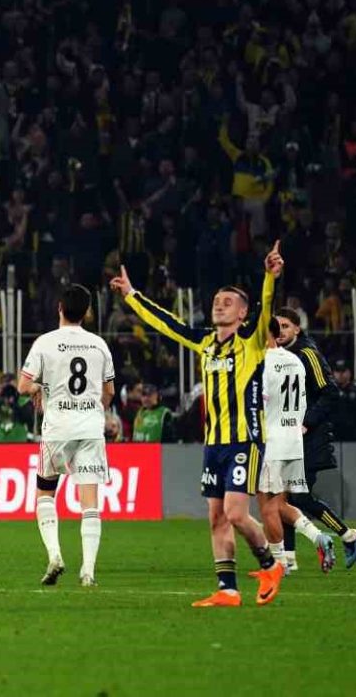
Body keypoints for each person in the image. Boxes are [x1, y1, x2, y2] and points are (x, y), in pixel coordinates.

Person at [113, 243, 286, 607]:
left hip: (245, 440)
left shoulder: (252, 341)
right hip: (214, 444)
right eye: (217, 301)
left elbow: (268, 305)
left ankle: (271, 565)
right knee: (216, 517)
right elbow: (166, 323)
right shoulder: (206, 342)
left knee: (236, 513)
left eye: (228, 302)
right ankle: (228, 590)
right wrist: (131, 295)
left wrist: (269, 276)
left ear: (243, 313)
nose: (219, 305)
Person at [17, 285, 114, 588]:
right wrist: (92, 409)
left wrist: (40, 388)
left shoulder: (45, 342)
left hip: (57, 428)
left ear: (59, 307)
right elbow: (109, 392)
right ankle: (88, 571)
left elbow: (23, 387)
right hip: (90, 429)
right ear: (87, 312)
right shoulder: (99, 345)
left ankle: (55, 555)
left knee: (45, 493)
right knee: (90, 502)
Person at [274, 311, 356, 569]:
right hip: (290, 437)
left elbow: (330, 392)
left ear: (297, 329)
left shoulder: (307, 354)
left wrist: (307, 422)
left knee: (299, 498)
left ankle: (347, 535)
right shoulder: (280, 356)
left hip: (311, 438)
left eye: (286, 326)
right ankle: (289, 559)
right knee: (284, 498)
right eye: (277, 326)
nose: (280, 331)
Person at [257, 328, 337, 575]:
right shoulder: (294, 360)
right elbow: (303, 400)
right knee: (280, 503)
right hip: (293, 439)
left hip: (272, 440)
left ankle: (280, 564)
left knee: (267, 506)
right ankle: (318, 537)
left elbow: (259, 403)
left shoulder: (262, 362)